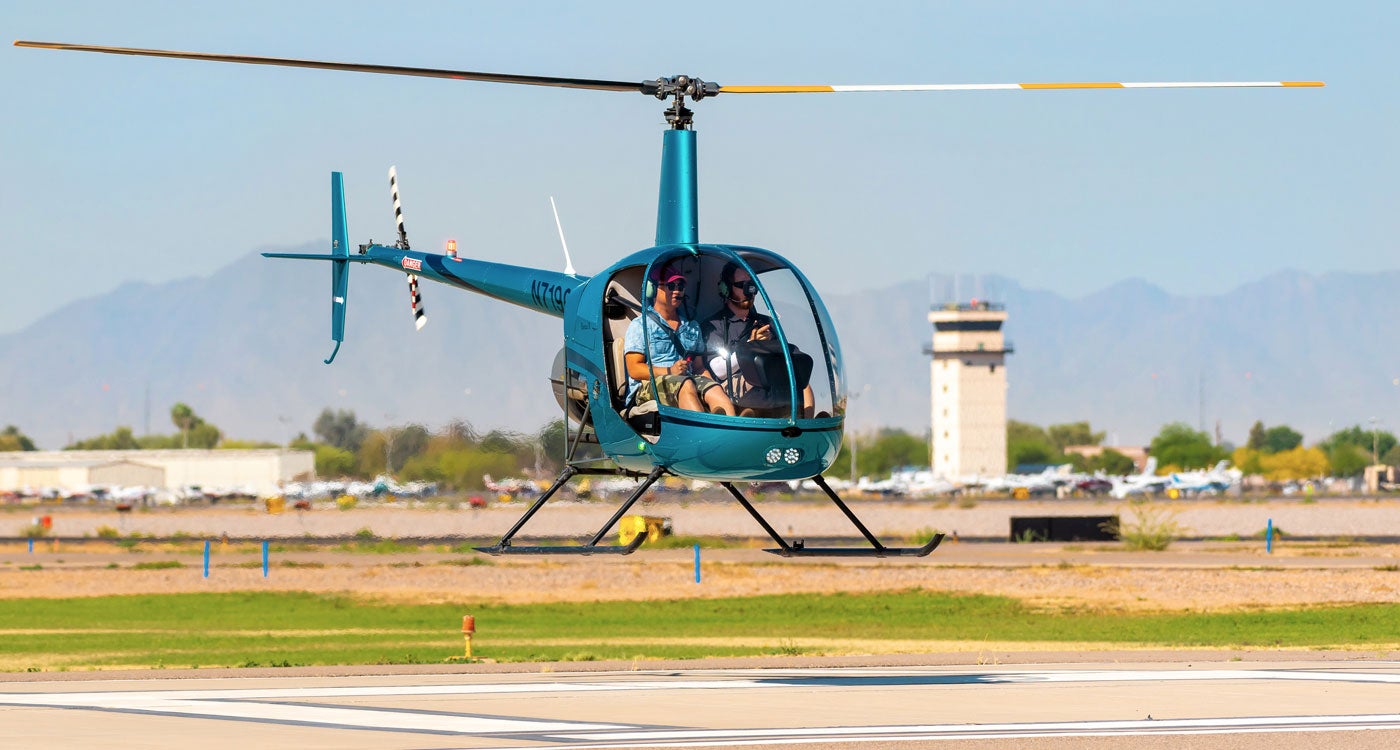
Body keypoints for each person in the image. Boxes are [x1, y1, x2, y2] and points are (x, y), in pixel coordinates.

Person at [703, 262, 814, 418]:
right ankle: (749, 421)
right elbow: (719, 371)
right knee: (760, 383)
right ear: (726, 289)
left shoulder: (767, 323)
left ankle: (805, 426)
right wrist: (751, 346)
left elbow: (786, 357)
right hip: (735, 381)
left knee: (803, 383)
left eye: (752, 285)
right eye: (742, 285)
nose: (750, 291)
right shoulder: (715, 326)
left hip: (769, 379)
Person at [624, 263, 734, 415]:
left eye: (680, 286)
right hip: (649, 386)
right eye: (671, 286)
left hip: (686, 379)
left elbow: (699, 368)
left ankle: (728, 428)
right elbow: (634, 369)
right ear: (654, 289)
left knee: (715, 389)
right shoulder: (640, 325)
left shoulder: (692, 327)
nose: (677, 291)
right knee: (686, 384)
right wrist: (670, 371)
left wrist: (711, 385)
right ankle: (703, 432)